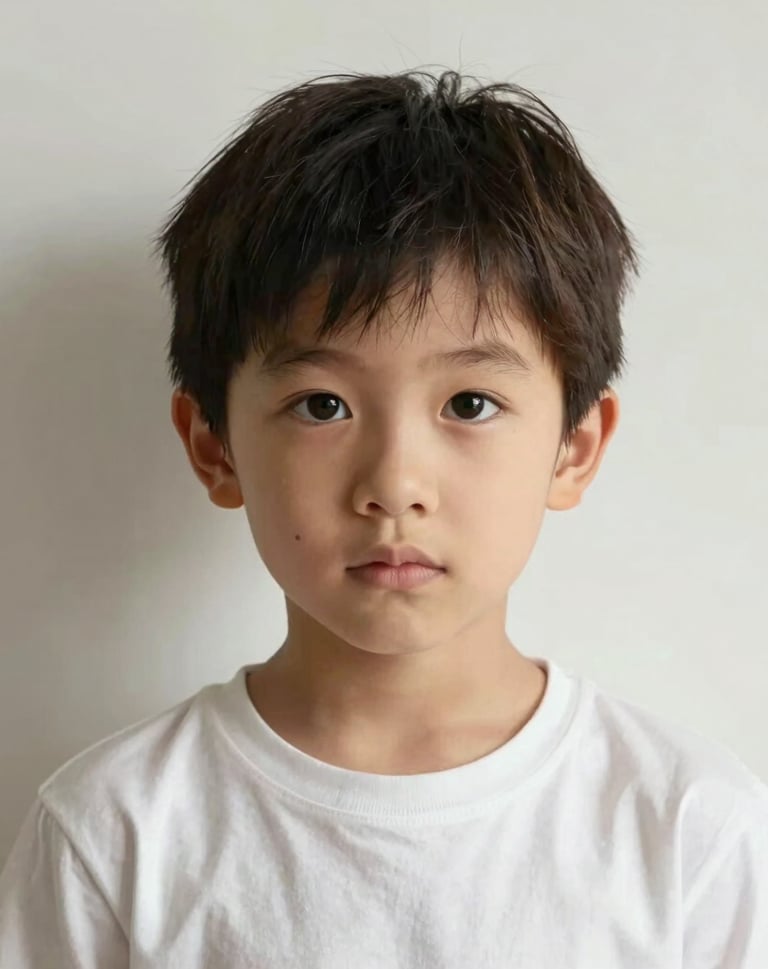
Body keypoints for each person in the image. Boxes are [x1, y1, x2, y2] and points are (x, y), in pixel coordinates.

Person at [1, 68, 766, 968]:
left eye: (471, 403)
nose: (396, 483)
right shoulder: (115, 830)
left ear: (575, 446)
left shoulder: (688, 828)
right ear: (214, 447)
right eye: (323, 406)